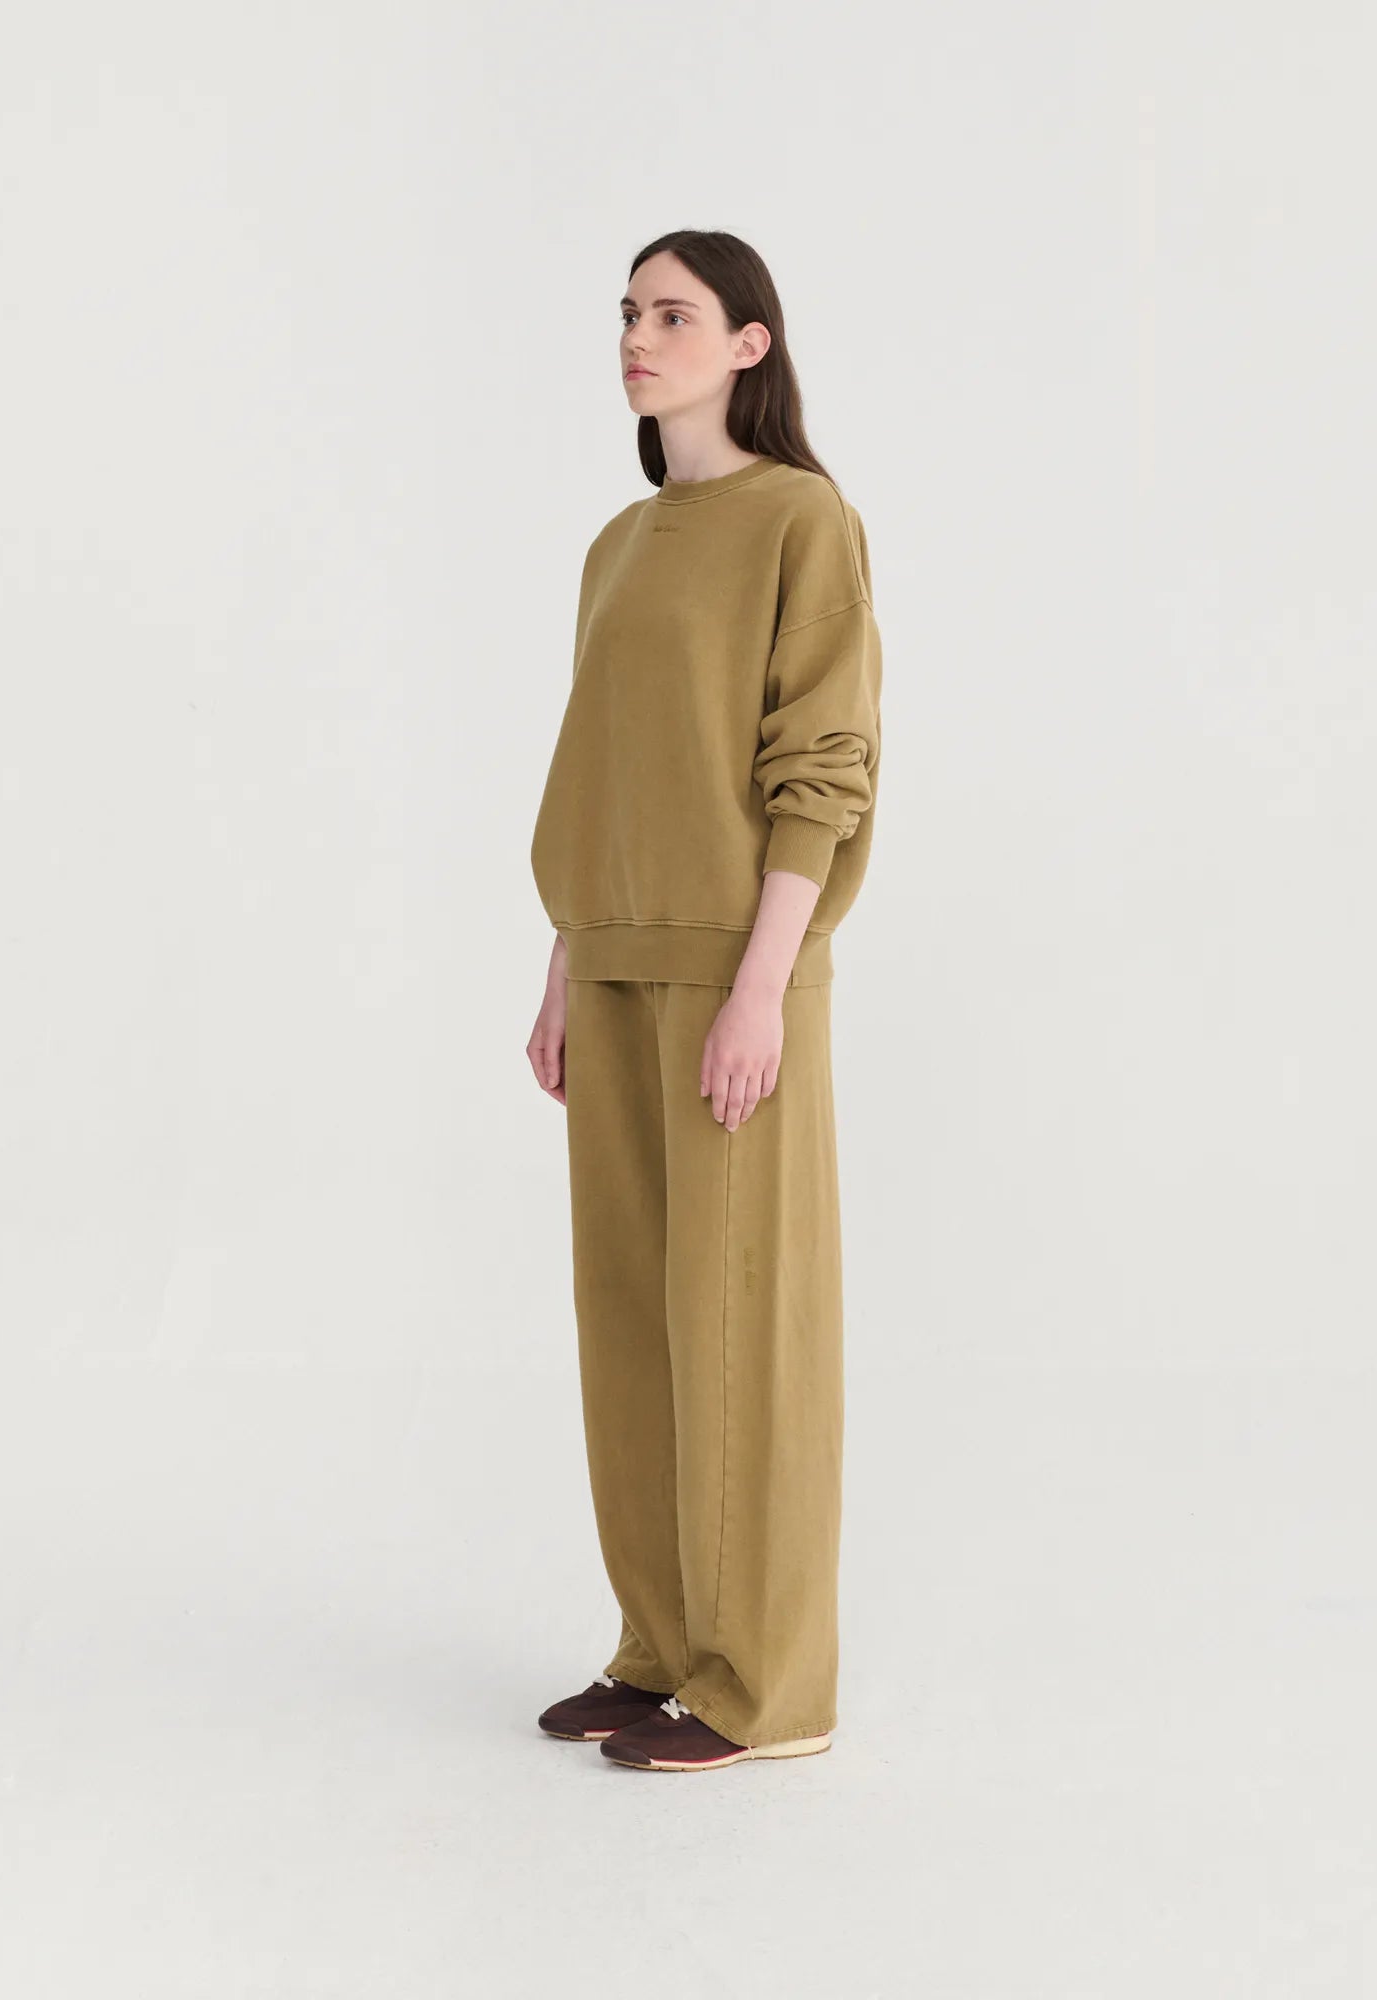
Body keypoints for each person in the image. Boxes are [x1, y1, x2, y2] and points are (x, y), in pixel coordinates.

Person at [525, 228, 884, 1773]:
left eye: (673, 313)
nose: (638, 335)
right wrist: (566, 956)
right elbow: (603, 765)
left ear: (750, 343)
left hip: (737, 974)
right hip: (612, 964)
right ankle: (662, 1649)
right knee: (632, 1322)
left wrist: (763, 989)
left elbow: (823, 762)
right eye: (629, 312)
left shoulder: (804, 519)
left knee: (741, 1328)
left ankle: (765, 1691)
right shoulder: (618, 544)